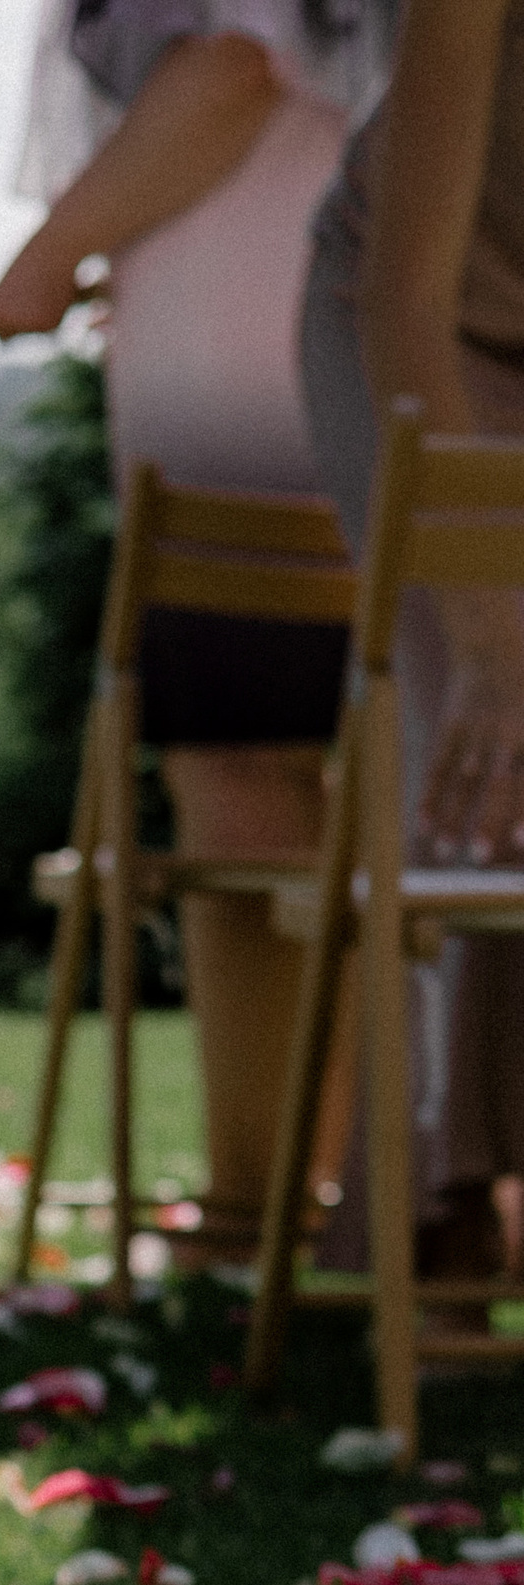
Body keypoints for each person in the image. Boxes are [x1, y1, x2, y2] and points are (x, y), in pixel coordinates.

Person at [0, 0, 393, 1272]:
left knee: (241, 779)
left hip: (253, 407)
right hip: (280, 367)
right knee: (295, 785)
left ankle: (264, 1198)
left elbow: (229, 67)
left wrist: (51, 253)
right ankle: (323, 1186)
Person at [303, 0, 524, 1264]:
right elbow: (405, 303)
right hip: (398, 329)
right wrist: (493, 634)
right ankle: (418, 1223)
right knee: (478, 746)